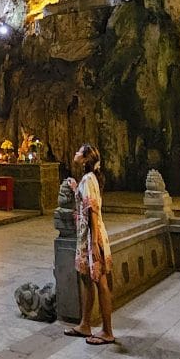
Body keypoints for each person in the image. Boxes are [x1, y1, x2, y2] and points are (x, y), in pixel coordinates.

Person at [64, 143, 115, 345]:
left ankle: (107, 331)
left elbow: (92, 209)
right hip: (87, 237)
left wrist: (94, 243)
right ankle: (85, 324)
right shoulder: (87, 179)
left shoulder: (88, 179)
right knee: (86, 279)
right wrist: (76, 188)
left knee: (100, 282)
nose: (75, 153)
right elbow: (85, 201)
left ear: (85, 158)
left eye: (78, 152)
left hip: (92, 237)